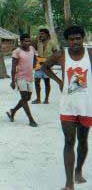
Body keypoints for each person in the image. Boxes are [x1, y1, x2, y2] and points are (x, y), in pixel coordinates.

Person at [42, 25, 91, 190]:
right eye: (72, 39)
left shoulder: (90, 54)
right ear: (67, 41)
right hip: (68, 106)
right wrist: (59, 81)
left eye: (78, 38)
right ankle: (69, 183)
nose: (75, 42)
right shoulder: (61, 55)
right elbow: (44, 67)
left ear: (82, 39)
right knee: (69, 141)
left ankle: (78, 170)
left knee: (83, 140)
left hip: (87, 106)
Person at [6, 34, 38, 127]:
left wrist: (35, 64)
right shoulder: (17, 52)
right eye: (25, 41)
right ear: (21, 41)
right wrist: (12, 81)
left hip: (29, 77)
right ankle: (31, 119)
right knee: (24, 97)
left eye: (29, 41)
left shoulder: (32, 48)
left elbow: (35, 57)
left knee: (28, 98)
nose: (27, 43)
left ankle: (13, 111)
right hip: (20, 77)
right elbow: (13, 67)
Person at [32, 28, 59, 104]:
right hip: (39, 61)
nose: (40, 35)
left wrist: (52, 62)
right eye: (40, 34)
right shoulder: (38, 42)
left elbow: (56, 53)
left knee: (47, 82)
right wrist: (36, 39)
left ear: (47, 35)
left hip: (48, 62)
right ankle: (38, 99)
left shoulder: (52, 43)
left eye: (42, 34)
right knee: (37, 81)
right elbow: (33, 47)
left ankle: (46, 99)